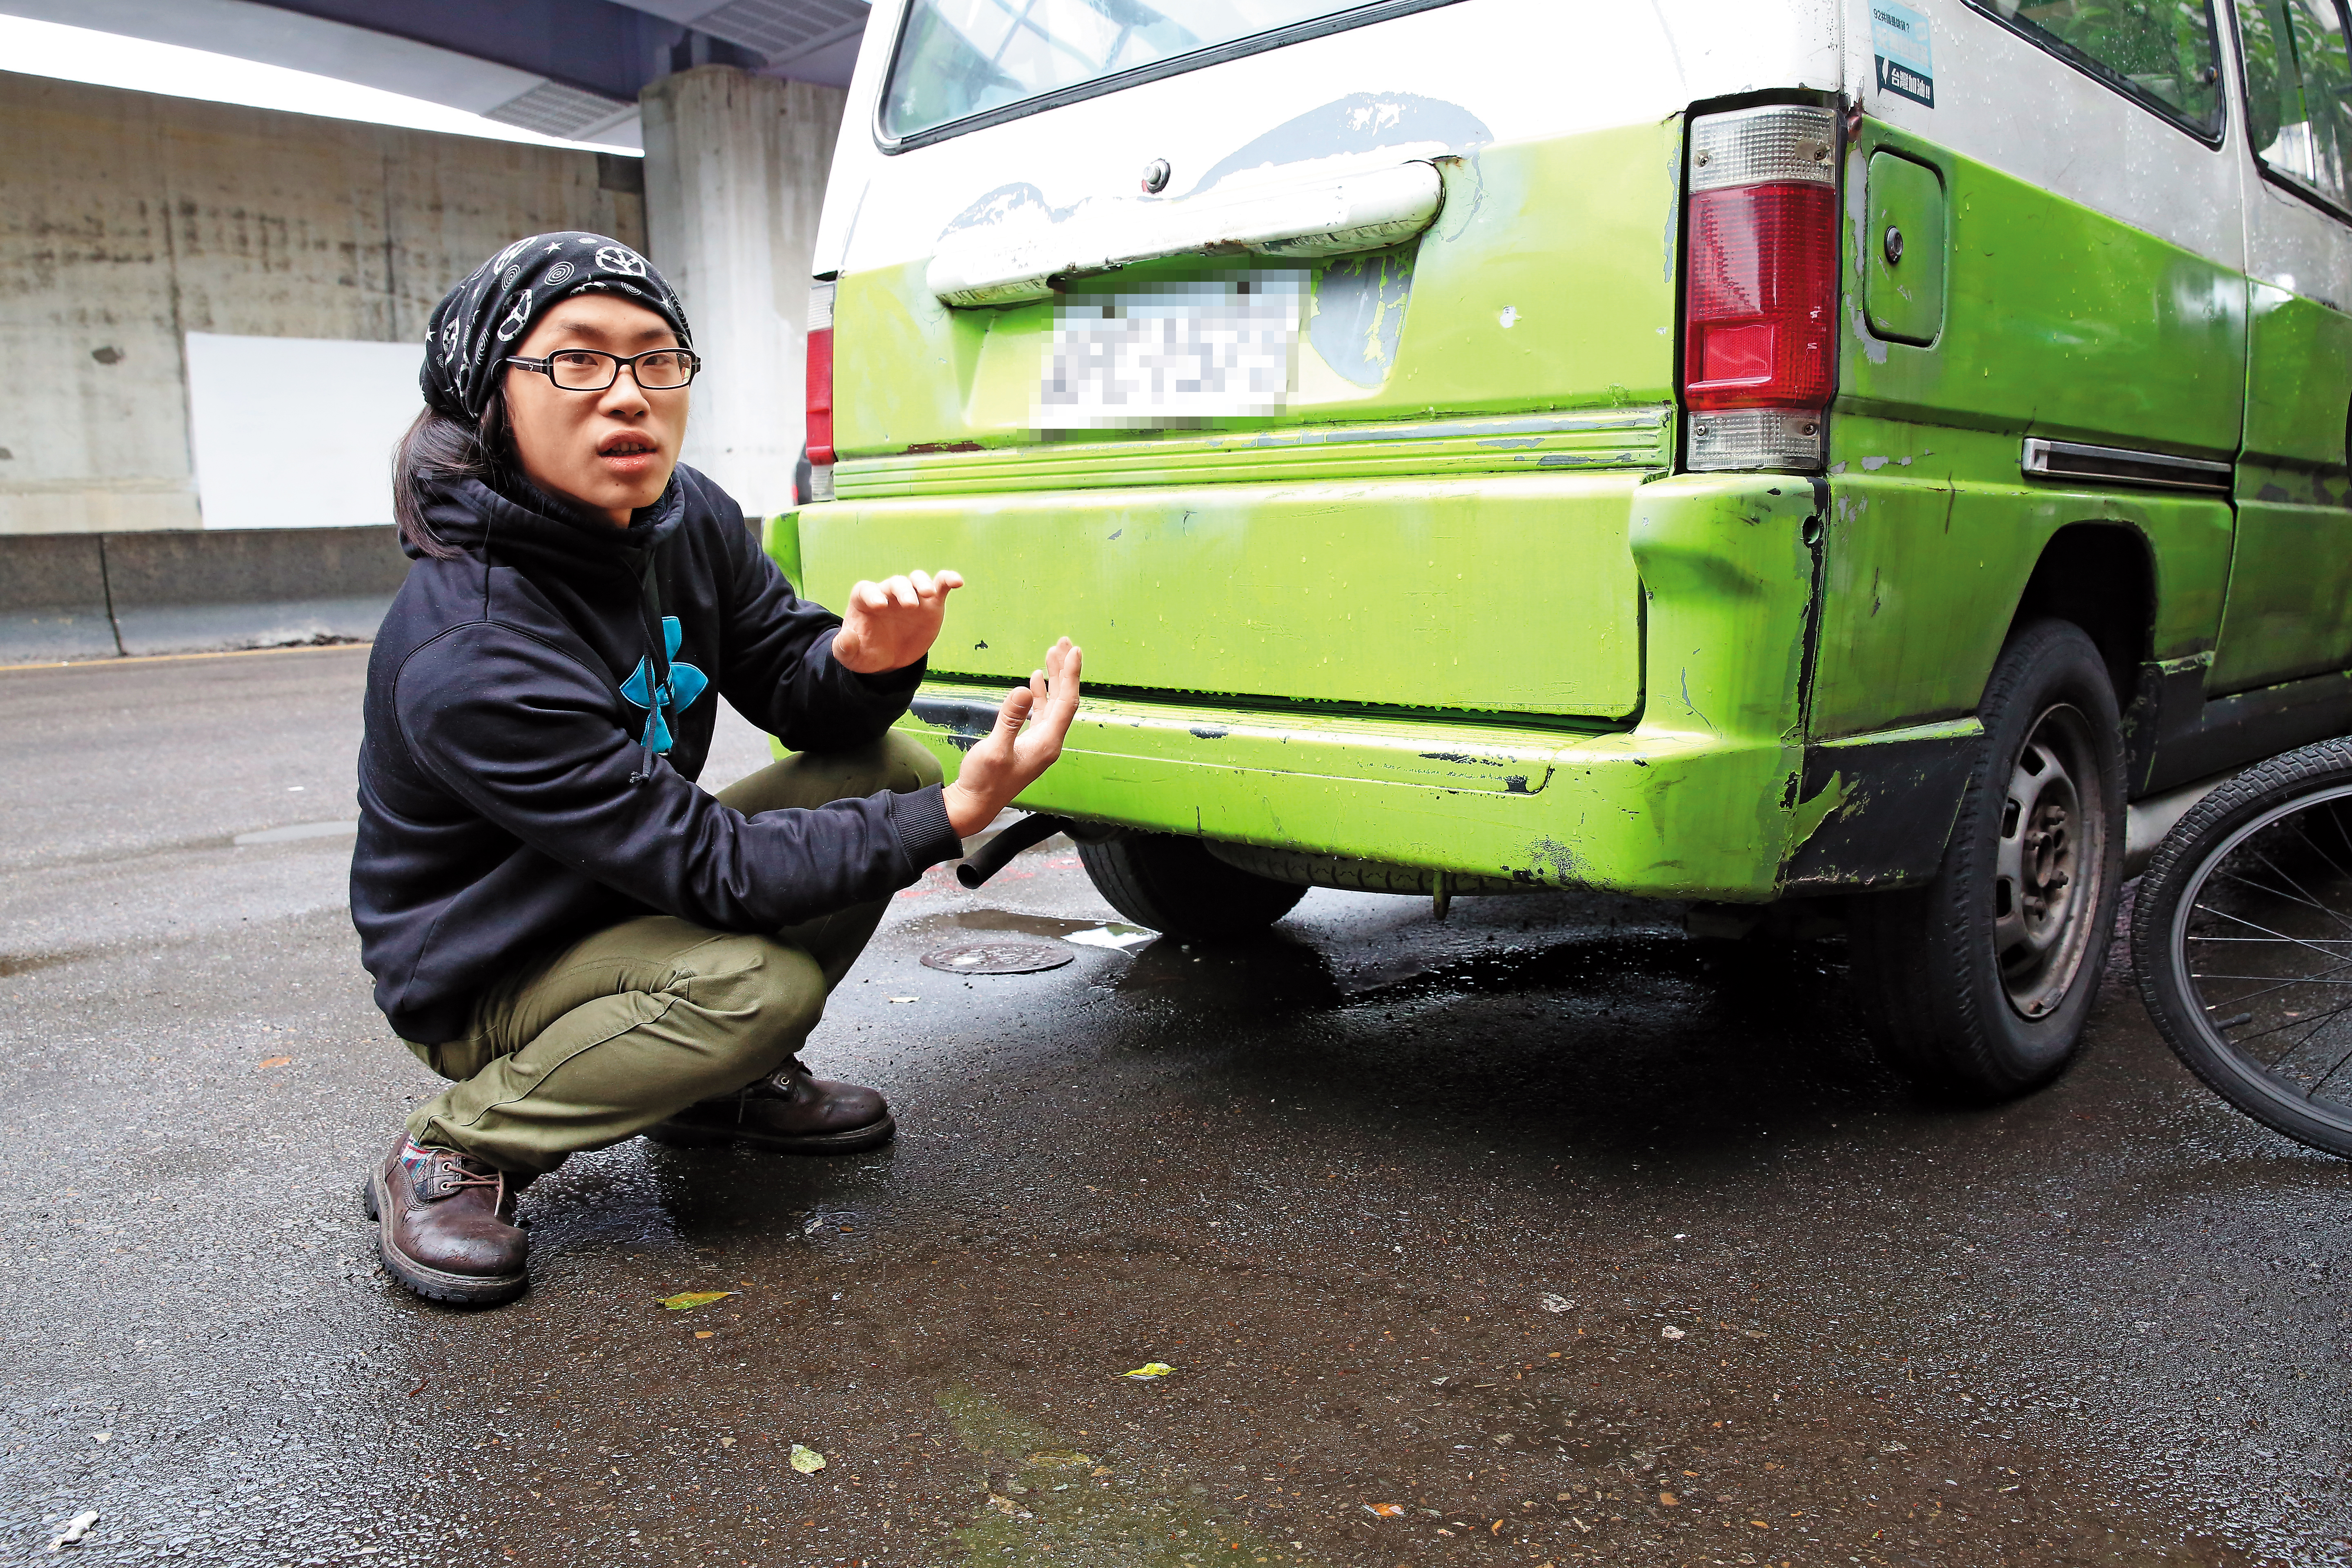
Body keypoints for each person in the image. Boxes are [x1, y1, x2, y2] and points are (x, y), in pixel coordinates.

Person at [351, 232, 1080, 1307]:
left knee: (881, 764)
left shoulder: (684, 516)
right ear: (487, 395)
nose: (628, 396)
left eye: (657, 359)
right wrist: (962, 809)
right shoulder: (470, 651)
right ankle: (455, 1147)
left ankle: (710, 1094)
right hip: (491, 974)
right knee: (758, 990)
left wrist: (861, 661)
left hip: (621, 889)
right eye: (577, 360)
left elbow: (792, 686)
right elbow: (718, 868)